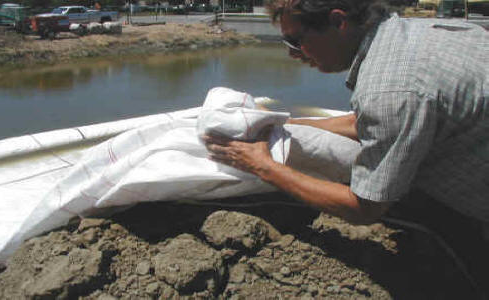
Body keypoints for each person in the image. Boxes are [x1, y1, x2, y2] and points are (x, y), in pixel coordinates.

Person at [204, 0, 488, 295]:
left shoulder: (389, 89)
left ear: (339, 22)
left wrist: (263, 167)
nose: (291, 53)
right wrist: (287, 124)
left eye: (296, 40)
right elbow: (368, 122)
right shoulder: (416, 35)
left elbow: (364, 207)